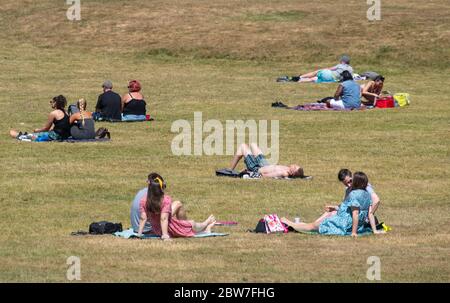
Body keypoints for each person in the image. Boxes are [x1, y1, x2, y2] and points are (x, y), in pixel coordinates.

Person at [282, 172, 380, 237]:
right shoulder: (367, 194)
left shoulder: (354, 194)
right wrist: (374, 231)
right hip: (356, 225)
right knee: (314, 225)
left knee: (313, 226)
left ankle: (288, 222)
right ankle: (295, 224)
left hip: (343, 224)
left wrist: (353, 232)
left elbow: (355, 214)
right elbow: (370, 214)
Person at [137, 173, 216, 240]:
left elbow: (143, 218)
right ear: (161, 188)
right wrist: (165, 235)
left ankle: (206, 228)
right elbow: (163, 219)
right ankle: (206, 224)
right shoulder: (165, 200)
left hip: (157, 230)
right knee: (192, 224)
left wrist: (139, 234)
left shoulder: (144, 200)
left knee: (190, 225)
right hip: (171, 229)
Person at [230, 143, 306, 179]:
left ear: (293, 172)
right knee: (253, 145)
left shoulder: (283, 173)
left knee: (243, 146)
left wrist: (250, 173)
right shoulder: (287, 169)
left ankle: (230, 171)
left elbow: (264, 175)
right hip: (264, 164)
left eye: (295, 167)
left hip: (256, 168)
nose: (294, 164)